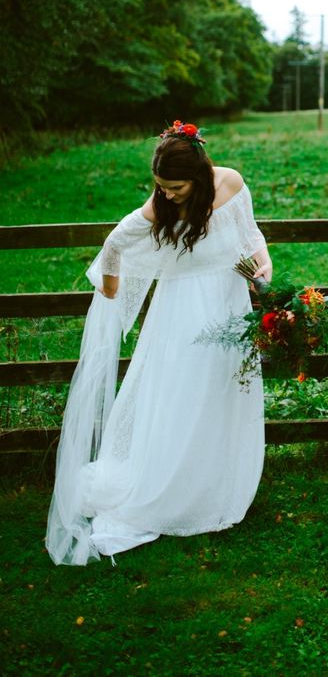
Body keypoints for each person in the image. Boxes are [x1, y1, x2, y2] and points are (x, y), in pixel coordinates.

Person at [46, 121, 273, 565]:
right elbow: (114, 243)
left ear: (200, 175)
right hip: (182, 311)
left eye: (174, 186)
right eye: (160, 186)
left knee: (222, 393)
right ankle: (169, 487)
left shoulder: (231, 183)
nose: (165, 194)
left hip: (229, 303)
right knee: (181, 394)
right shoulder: (158, 207)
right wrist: (111, 287)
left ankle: (212, 483)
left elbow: (250, 235)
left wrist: (263, 270)